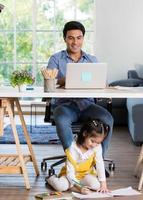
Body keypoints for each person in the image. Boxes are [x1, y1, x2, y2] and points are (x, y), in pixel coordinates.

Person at [47, 21, 113, 159]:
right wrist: (64, 79)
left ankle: (97, 161)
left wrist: (102, 83)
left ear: (83, 38)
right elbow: (49, 82)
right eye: (71, 38)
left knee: (107, 118)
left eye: (79, 37)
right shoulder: (56, 59)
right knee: (62, 118)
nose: (75, 42)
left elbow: (102, 84)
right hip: (65, 106)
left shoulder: (92, 60)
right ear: (65, 38)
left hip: (87, 105)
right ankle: (74, 161)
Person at [46, 119, 110, 194]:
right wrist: (80, 188)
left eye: (98, 143)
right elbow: (70, 174)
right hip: (70, 176)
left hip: (85, 175)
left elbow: (100, 164)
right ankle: (51, 179)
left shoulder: (97, 147)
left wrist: (103, 185)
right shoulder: (72, 148)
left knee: (96, 185)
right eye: (92, 141)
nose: (94, 145)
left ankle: (73, 187)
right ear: (85, 133)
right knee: (61, 186)